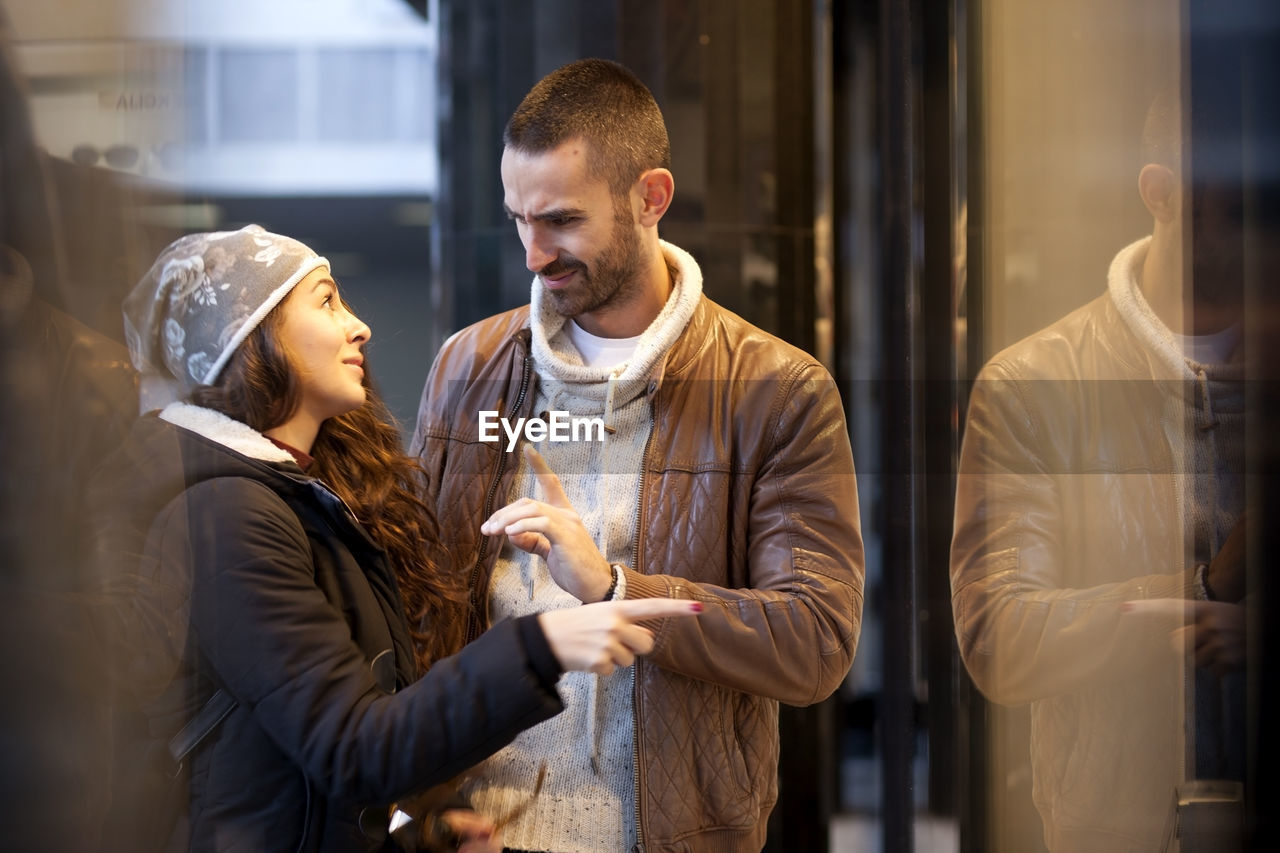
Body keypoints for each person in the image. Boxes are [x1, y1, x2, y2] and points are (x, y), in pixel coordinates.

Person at [91, 224, 700, 853]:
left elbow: (293, 770)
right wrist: (538, 646)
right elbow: (356, 750)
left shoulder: (293, 495)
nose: (360, 327)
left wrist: (416, 836)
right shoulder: (225, 513)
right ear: (244, 340)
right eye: (326, 301)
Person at [411, 59, 864, 852]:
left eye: (560, 220)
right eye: (519, 217)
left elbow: (814, 639)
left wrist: (619, 589)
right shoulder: (465, 368)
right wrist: (413, 812)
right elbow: (410, 607)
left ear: (651, 197)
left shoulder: (775, 389)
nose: (533, 253)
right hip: (475, 833)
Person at [949, 89, 1247, 852]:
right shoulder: (1034, 385)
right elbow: (1000, 634)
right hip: (1119, 827)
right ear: (1160, 191)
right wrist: (1201, 592)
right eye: (1240, 193)